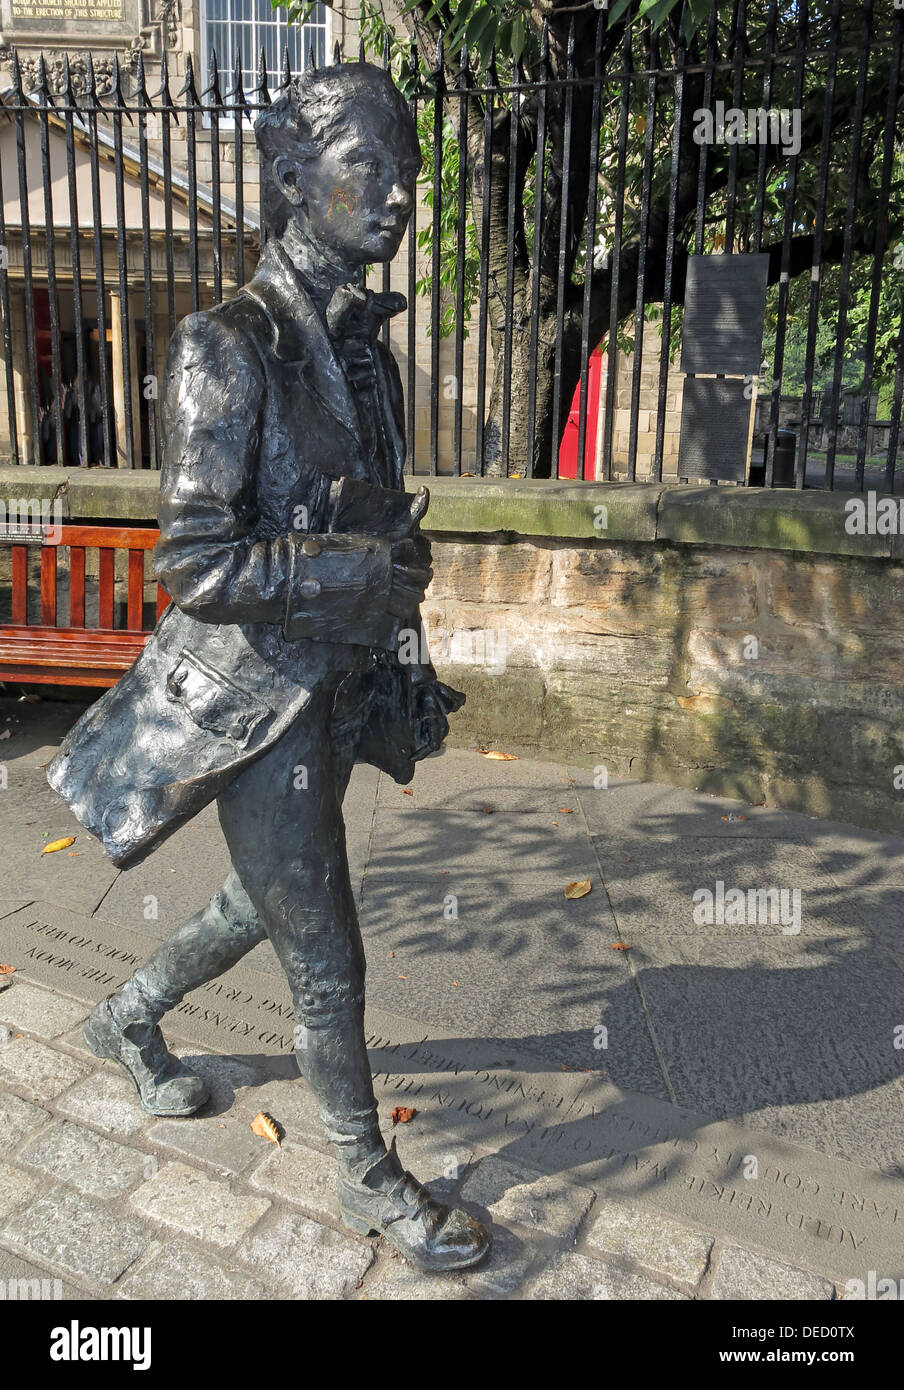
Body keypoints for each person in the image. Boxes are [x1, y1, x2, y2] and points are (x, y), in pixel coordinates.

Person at [47, 58, 490, 1275]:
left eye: (409, 172)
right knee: (328, 952)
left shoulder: (372, 356)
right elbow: (193, 560)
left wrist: (399, 600)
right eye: (371, 170)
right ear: (294, 183)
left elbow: (376, 520)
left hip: (338, 688)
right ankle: (365, 1174)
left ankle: (126, 1017)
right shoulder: (222, 343)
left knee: (261, 901)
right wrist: (352, 573)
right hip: (255, 709)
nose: (398, 195)